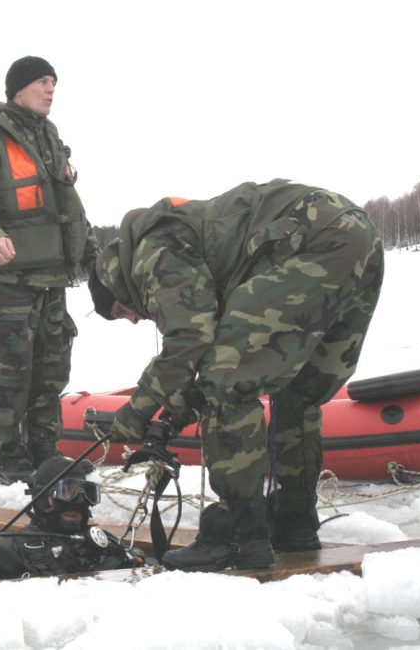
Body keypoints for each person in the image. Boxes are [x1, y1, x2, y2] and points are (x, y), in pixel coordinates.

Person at [89, 179, 384, 572]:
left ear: (116, 284)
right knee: (297, 392)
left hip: (305, 236)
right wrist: (179, 408)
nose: (135, 318)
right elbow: (217, 337)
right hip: (355, 234)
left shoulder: (149, 253)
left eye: (123, 311)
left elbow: (192, 338)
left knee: (226, 385)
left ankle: (239, 536)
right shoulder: (183, 237)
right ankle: (295, 522)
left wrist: (136, 413)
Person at [0, 56, 99, 486]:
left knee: (51, 369)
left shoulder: (49, 138)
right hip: (10, 279)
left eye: (54, 83)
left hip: (52, 278)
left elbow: (70, 210)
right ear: (18, 89)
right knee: (12, 370)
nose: (51, 90)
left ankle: (46, 453)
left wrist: (92, 258)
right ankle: (11, 458)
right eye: (42, 82)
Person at [0, 456, 143, 583]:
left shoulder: (101, 543)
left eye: (86, 493)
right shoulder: (6, 548)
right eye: (67, 491)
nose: (78, 502)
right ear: (42, 497)